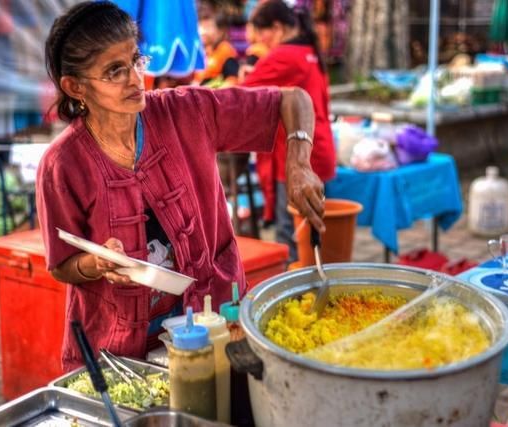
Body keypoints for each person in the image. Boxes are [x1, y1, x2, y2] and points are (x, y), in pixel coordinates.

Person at [38, 1, 325, 372]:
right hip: (122, 350)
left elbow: (292, 100)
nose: (134, 78)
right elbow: (62, 265)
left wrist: (299, 162)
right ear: (75, 86)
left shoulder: (186, 112)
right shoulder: (62, 165)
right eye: (114, 71)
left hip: (215, 323)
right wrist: (94, 264)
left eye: (136, 61)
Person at [242, 0, 336, 263]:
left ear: (277, 27)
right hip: (318, 148)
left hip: (299, 154)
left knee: (292, 229)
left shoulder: (285, 55)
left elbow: (240, 95)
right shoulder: (309, 50)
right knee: (311, 228)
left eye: (262, 33)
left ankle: (294, 292)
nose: (261, 40)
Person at [194, 12, 239, 86]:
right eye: (200, 26)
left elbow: (232, 81)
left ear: (220, 31)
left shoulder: (226, 50)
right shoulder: (201, 52)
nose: (203, 31)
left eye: (208, 27)